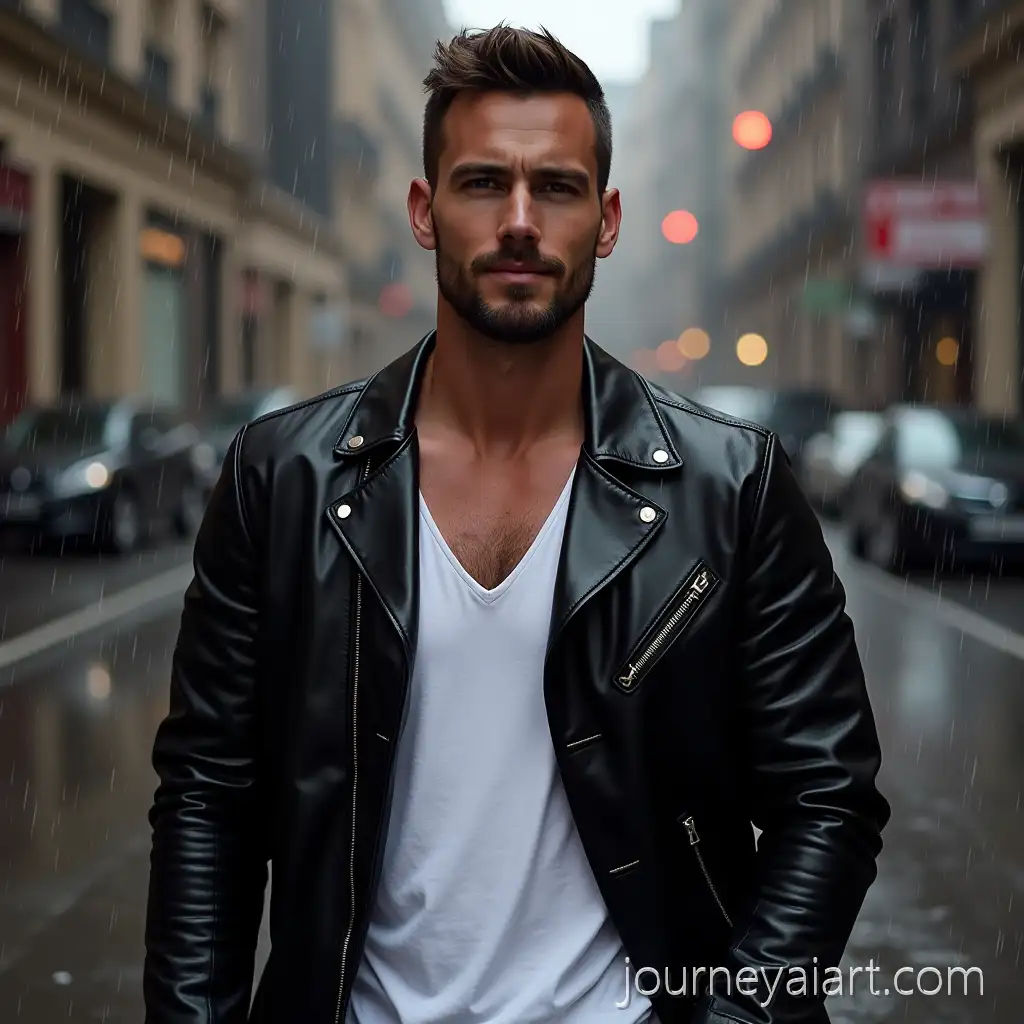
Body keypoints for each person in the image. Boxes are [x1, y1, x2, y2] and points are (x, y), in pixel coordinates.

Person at [143, 24, 891, 1024]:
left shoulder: (730, 485)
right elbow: (208, 801)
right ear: (424, 208)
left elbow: (827, 800)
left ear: (609, 218)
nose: (521, 222)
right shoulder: (282, 480)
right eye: (484, 182)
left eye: (559, 187)